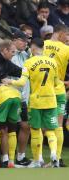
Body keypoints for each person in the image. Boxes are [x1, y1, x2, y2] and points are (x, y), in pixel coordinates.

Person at [2, 38, 59, 168]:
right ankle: (54, 154)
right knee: (50, 130)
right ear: (43, 48)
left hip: (35, 102)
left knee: (35, 130)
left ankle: (37, 160)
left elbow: (21, 82)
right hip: (51, 100)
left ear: (33, 49)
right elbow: (56, 83)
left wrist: (9, 82)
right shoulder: (53, 62)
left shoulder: (28, 62)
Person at [43, 24, 69, 167]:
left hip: (42, 91)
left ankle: (39, 159)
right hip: (58, 90)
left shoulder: (43, 45)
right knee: (58, 126)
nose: (68, 38)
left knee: (40, 127)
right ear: (60, 34)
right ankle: (57, 159)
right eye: (67, 35)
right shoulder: (66, 49)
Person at [11, 31, 31, 167]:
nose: (25, 43)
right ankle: (7, 159)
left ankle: (21, 156)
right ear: (14, 40)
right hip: (11, 96)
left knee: (26, 126)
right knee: (9, 128)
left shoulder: (26, 55)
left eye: (26, 41)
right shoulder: (9, 54)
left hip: (24, 97)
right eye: (22, 40)